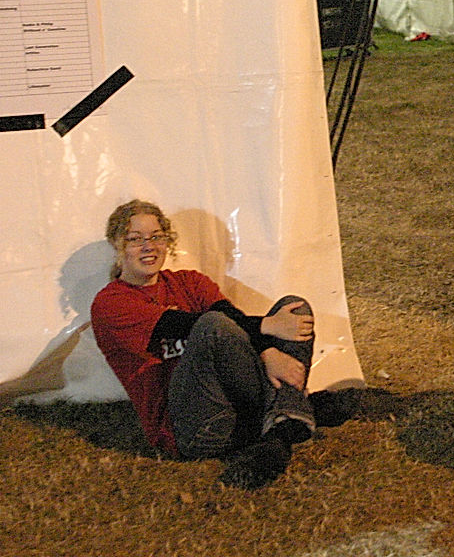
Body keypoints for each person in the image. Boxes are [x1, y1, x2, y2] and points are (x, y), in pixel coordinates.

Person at [91, 199, 319, 489]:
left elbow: (235, 321)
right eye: (135, 239)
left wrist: (267, 350)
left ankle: (278, 434)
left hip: (238, 412)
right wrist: (267, 327)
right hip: (192, 430)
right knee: (212, 325)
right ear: (117, 245)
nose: (148, 247)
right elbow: (182, 325)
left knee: (294, 307)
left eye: (156, 237)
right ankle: (293, 417)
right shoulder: (110, 303)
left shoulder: (190, 281)